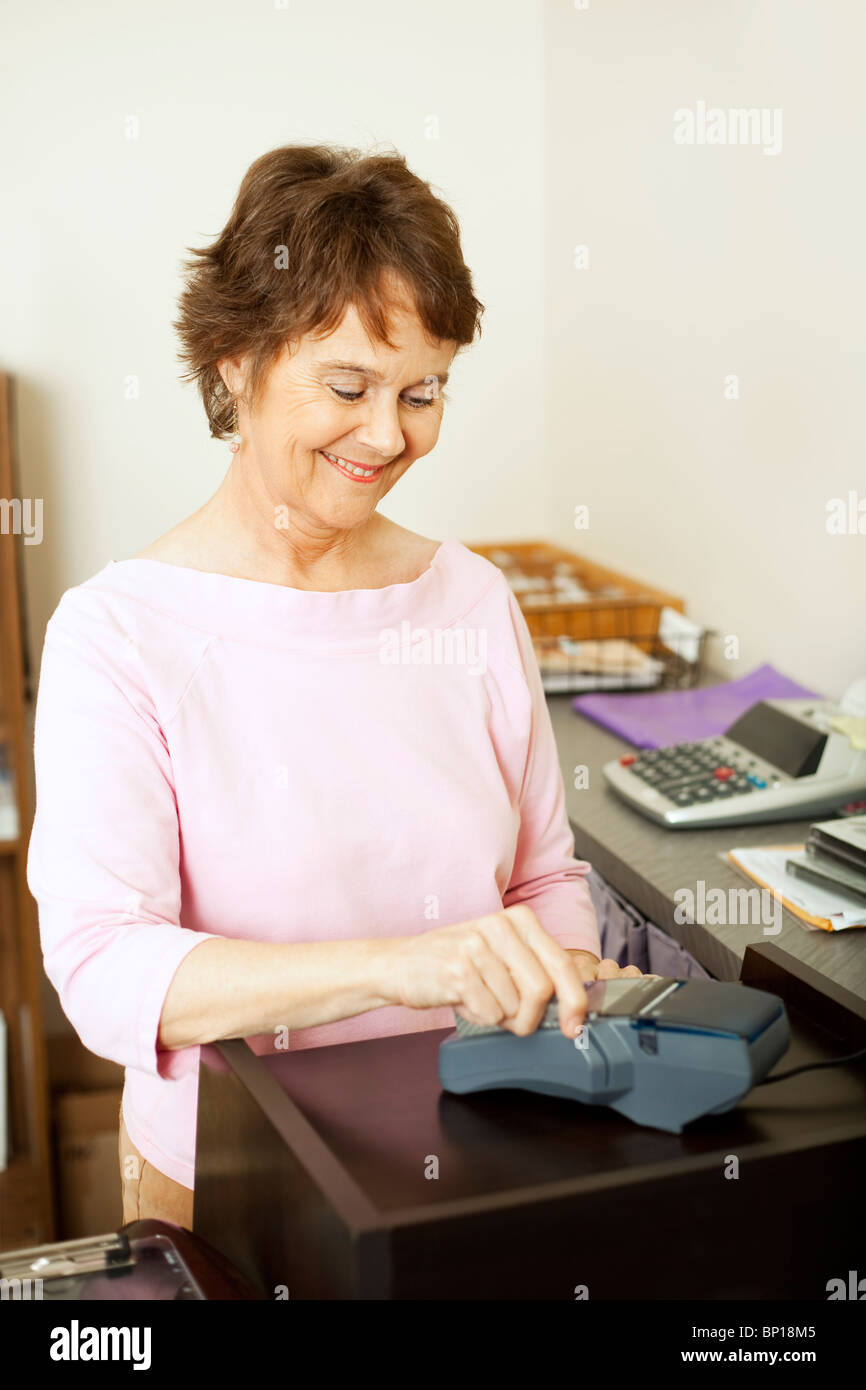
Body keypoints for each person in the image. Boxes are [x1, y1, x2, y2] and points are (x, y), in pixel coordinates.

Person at [27, 143, 646, 1228]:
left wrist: (568, 980)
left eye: (423, 392)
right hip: (238, 1174)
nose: (387, 434)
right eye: (348, 385)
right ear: (232, 359)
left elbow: (540, 876)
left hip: (481, 1145)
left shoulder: (469, 601)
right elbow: (106, 967)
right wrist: (406, 967)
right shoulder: (120, 634)